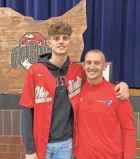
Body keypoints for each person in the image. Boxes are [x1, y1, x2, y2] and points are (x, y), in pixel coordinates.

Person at [19, 22, 129, 159]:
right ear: (49, 42)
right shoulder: (35, 71)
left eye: (65, 38)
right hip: (41, 143)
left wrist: (120, 84)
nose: (61, 42)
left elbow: (96, 81)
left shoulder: (76, 71)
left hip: (66, 143)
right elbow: (26, 110)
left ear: (69, 41)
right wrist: (29, 149)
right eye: (56, 38)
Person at [75, 50, 135, 159]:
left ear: (105, 66)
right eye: (88, 63)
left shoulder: (118, 93)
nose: (92, 67)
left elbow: (128, 130)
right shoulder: (77, 91)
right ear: (83, 66)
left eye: (97, 63)